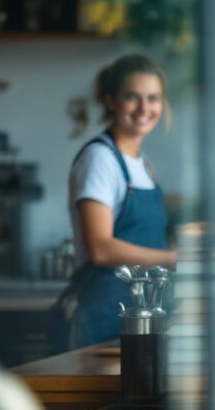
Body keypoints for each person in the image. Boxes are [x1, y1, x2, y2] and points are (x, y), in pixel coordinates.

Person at [63, 54, 177, 347]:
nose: (144, 108)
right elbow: (101, 249)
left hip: (143, 315)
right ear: (111, 101)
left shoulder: (142, 164)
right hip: (106, 317)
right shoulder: (99, 159)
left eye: (153, 98)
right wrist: (173, 259)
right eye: (132, 97)